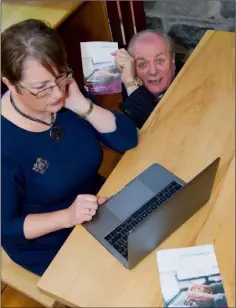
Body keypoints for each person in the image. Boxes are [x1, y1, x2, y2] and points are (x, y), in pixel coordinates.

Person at [1, 19, 138, 276]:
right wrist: (67, 216)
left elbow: (126, 139)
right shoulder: (5, 143)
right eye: (41, 88)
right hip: (51, 242)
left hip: (98, 207)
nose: (56, 94)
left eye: (60, 77)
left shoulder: (65, 97)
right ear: (10, 84)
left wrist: (80, 104)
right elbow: (5, 229)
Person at [112, 30, 183, 129]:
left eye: (160, 60)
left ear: (172, 61)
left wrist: (131, 83)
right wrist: (130, 83)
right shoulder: (128, 86)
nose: (153, 71)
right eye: (142, 64)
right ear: (132, 68)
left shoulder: (189, 85)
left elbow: (161, 129)